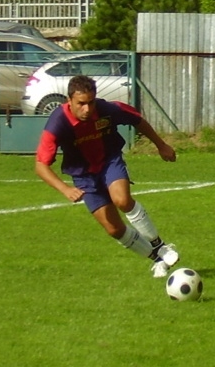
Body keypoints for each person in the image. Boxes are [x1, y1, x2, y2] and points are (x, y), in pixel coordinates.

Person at [35, 74, 180, 278]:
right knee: (113, 229)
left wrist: (161, 145)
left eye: (91, 102)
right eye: (81, 104)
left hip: (110, 161)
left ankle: (161, 246)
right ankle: (157, 258)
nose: (87, 109)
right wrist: (65, 189)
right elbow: (41, 165)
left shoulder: (107, 109)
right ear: (69, 101)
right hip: (84, 176)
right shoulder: (57, 123)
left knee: (121, 200)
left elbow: (137, 120)